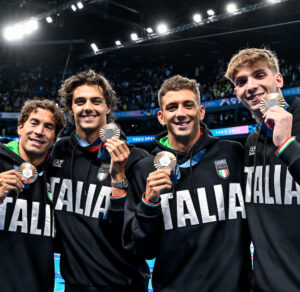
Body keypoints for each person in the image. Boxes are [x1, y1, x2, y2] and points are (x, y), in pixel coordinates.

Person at [123, 75, 251, 292]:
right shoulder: (144, 170)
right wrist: (149, 204)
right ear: (161, 117)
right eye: (172, 107)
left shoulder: (233, 153)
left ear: (201, 111)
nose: (180, 113)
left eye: (188, 105)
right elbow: (141, 249)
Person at [48, 69, 149, 292]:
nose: (87, 108)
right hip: (75, 285)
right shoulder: (59, 152)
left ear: (108, 107)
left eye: (96, 101)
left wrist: (119, 177)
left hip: (124, 285)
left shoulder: (137, 160)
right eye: (80, 101)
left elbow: (139, 236)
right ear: (70, 108)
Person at [225, 48, 300, 291]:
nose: (251, 86)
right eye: (241, 81)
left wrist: (288, 145)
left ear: (278, 79)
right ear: (237, 92)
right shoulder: (251, 143)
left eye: (259, 75)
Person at [0, 99, 65, 292]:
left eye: (48, 127)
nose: (39, 131)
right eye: (34, 123)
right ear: (20, 127)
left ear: (54, 138)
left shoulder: (60, 177)